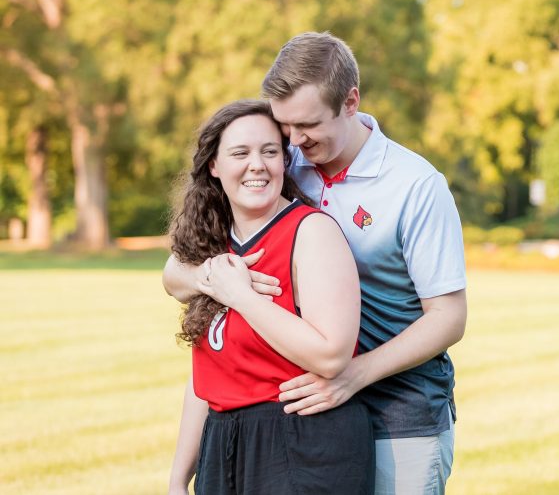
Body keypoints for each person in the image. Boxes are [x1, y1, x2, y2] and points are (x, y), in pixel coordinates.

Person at [164, 32, 468, 494]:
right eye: (284, 125)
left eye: (307, 125)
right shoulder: (288, 164)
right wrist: (222, 279)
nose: (293, 140)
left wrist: (353, 375)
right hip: (309, 407)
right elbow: (176, 272)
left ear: (350, 102)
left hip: (400, 411)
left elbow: (449, 317)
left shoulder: (415, 186)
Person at [166, 100, 374, 495]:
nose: (257, 164)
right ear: (214, 165)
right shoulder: (212, 243)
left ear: (284, 160)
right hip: (223, 446)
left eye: (270, 151)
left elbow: (331, 355)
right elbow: (208, 376)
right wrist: (179, 477)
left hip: (303, 443)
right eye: (240, 153)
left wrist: (241, 297)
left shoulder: (310, 232)